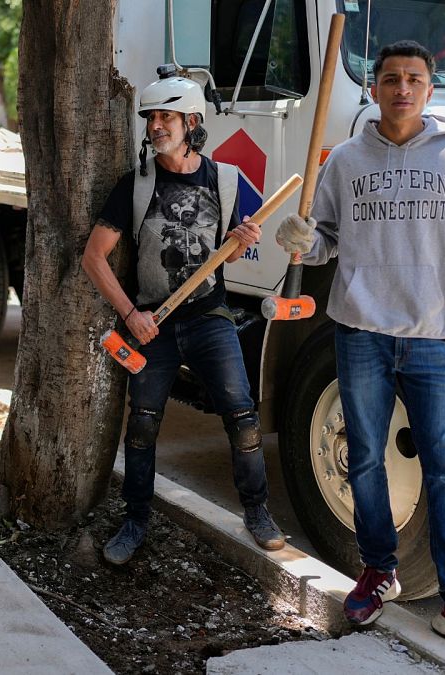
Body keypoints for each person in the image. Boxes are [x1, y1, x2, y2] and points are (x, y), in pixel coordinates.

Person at [274, 41, 445, 667]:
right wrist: (302, 240)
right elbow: (325, 246)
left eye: (414, 79)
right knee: (365, 461)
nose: (402, 88)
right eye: (391, 78)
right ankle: (379, 570)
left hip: (430, 340)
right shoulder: (343, 161)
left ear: (430, 90)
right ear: (373, 89)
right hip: (360, 334)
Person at [81, 70, 285, 565]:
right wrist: (130, 314)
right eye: (151, 118)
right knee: (144, 426)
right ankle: (135, 520)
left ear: (192, 121)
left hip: (209, 316)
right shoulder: (135, 186)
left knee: (242, 417)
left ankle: (256, 511)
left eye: (166, 116)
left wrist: (241, 245)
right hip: (153, 322)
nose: (156, 126)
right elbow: (93, 258)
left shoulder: (226, 179)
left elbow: (227, 255)